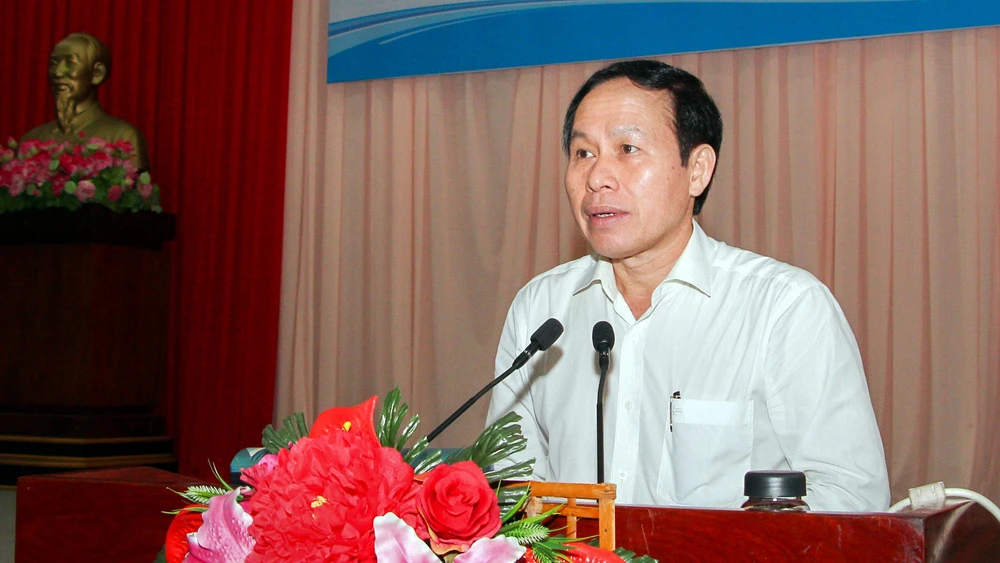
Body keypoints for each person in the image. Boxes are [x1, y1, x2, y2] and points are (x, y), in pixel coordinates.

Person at [485, 59, 890, 512]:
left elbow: (854, 497)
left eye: (627, 148)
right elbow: (508, 486)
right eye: (583, 153)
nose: (596, 177)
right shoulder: (541, 308)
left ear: (697, 169)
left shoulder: (784, 308)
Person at [21, 32, 149, 171]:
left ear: (97, 73)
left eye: (70, 63)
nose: (57, 72)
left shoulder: (122, 137)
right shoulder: (32, 139)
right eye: (54, 63)